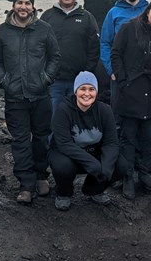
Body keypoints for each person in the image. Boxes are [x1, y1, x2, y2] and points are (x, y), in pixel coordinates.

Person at [0, 0, 60, 204]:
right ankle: (26, 184)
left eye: (27, 3)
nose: (23, 6)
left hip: (40, 95)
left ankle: (41, 176)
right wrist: (4, 82)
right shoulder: (2, 31)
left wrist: (46, 79)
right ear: (14, 6)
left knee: (41, 138)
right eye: (19, 2)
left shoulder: (44, 29)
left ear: (33, 6)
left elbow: (54, 56)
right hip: (15, 98)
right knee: (20, 141)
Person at [111, 0, 151, 199]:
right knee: (128, 137)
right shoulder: (129, 28)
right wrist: (122, 79)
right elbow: (115, 53)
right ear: (148, 11)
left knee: (150, 137)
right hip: (130, 90)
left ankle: (144, 172)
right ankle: (127, 176)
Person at [49, 72, 128, 211]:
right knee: (62, 167)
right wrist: (93, 164)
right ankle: (63, 193)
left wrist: (106, 168)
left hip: (93, 151)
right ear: (76, 91)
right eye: (82, 89)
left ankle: (93, 189)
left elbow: (111, 142)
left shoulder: (105, 110)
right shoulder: (63, 110)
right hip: (68, 153)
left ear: (96, 92)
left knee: (120, 165)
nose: (87, 94)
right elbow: (64, 143)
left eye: (91, 89)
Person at [40, 0, 100, 116]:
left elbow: (94, 47)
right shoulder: (47, 16)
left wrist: (86, 72)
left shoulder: (87, 17)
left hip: (78, 80)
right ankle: (54, 138)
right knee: (54, 116)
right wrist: (45, 73)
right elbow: (39, 46)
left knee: (77, 117)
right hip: (54, 81)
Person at [99, 0, 148, 103]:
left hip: (144, 73)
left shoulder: (149, 11)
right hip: (120, 72)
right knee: (118, 113)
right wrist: (111, 70)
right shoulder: (114, 12)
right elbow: (104, 42)